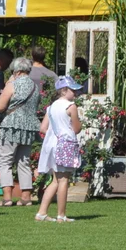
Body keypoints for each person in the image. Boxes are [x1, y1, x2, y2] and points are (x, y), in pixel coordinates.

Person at [35, 76, 84, 223]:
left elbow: (43, 128)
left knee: (56, 180)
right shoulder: (71, 106)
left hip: (53, 144)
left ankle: (42, 213)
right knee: (63, 180)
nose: (75, 93)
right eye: (72, 90)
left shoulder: (51, 107)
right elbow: (76, 128)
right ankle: (61, 215)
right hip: (65, 143)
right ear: (63, 91)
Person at [0, 56, 40, 206]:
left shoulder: (12, 85)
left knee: (5, 161)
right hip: (29, 127)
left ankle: (7, 197)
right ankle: (26, 197)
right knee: (24, 162)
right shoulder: (35, 87)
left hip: (11, 126)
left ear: (18, 71)